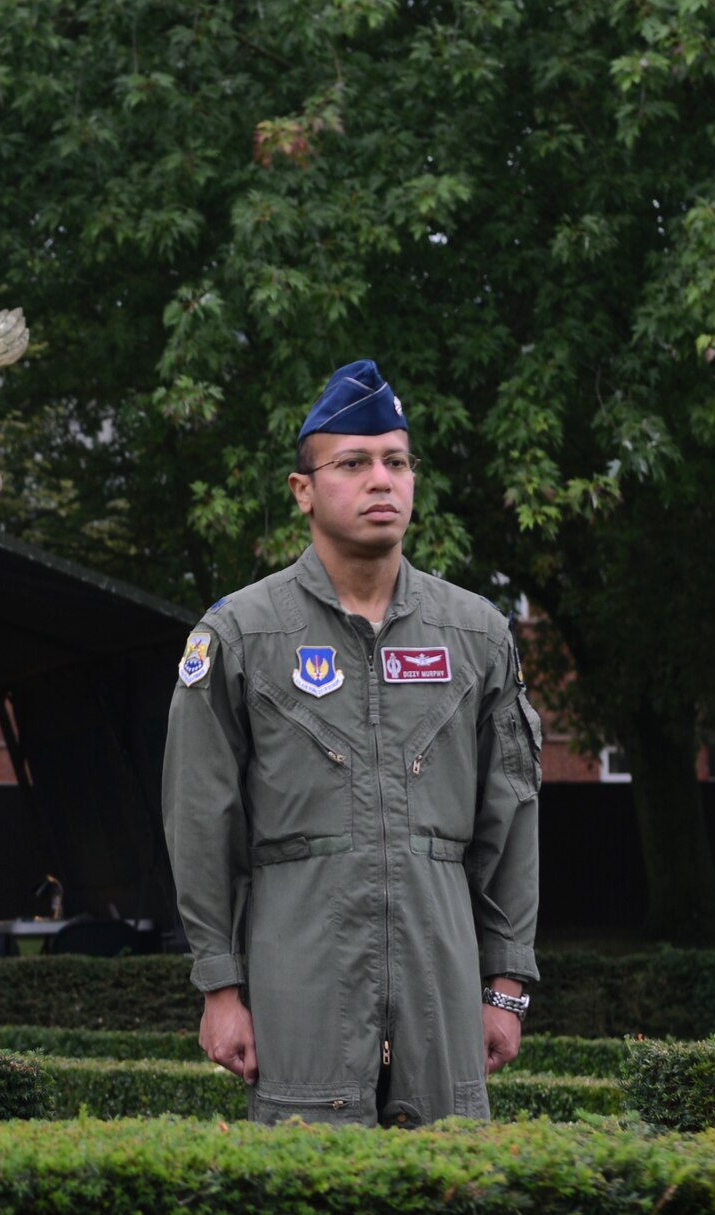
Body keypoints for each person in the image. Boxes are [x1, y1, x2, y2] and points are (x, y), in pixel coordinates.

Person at [162, 359, 541, 1128]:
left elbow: (511, 816)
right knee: (309, 1182)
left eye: (396, 462)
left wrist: (505, 987)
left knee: (452, 1183)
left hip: (443, 999)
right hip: (299, 989)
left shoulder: (475, 635)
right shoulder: (241, 634)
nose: (382, 481)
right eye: (354, 463)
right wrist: (219, 988)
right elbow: (201, 818)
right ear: (303, 490)